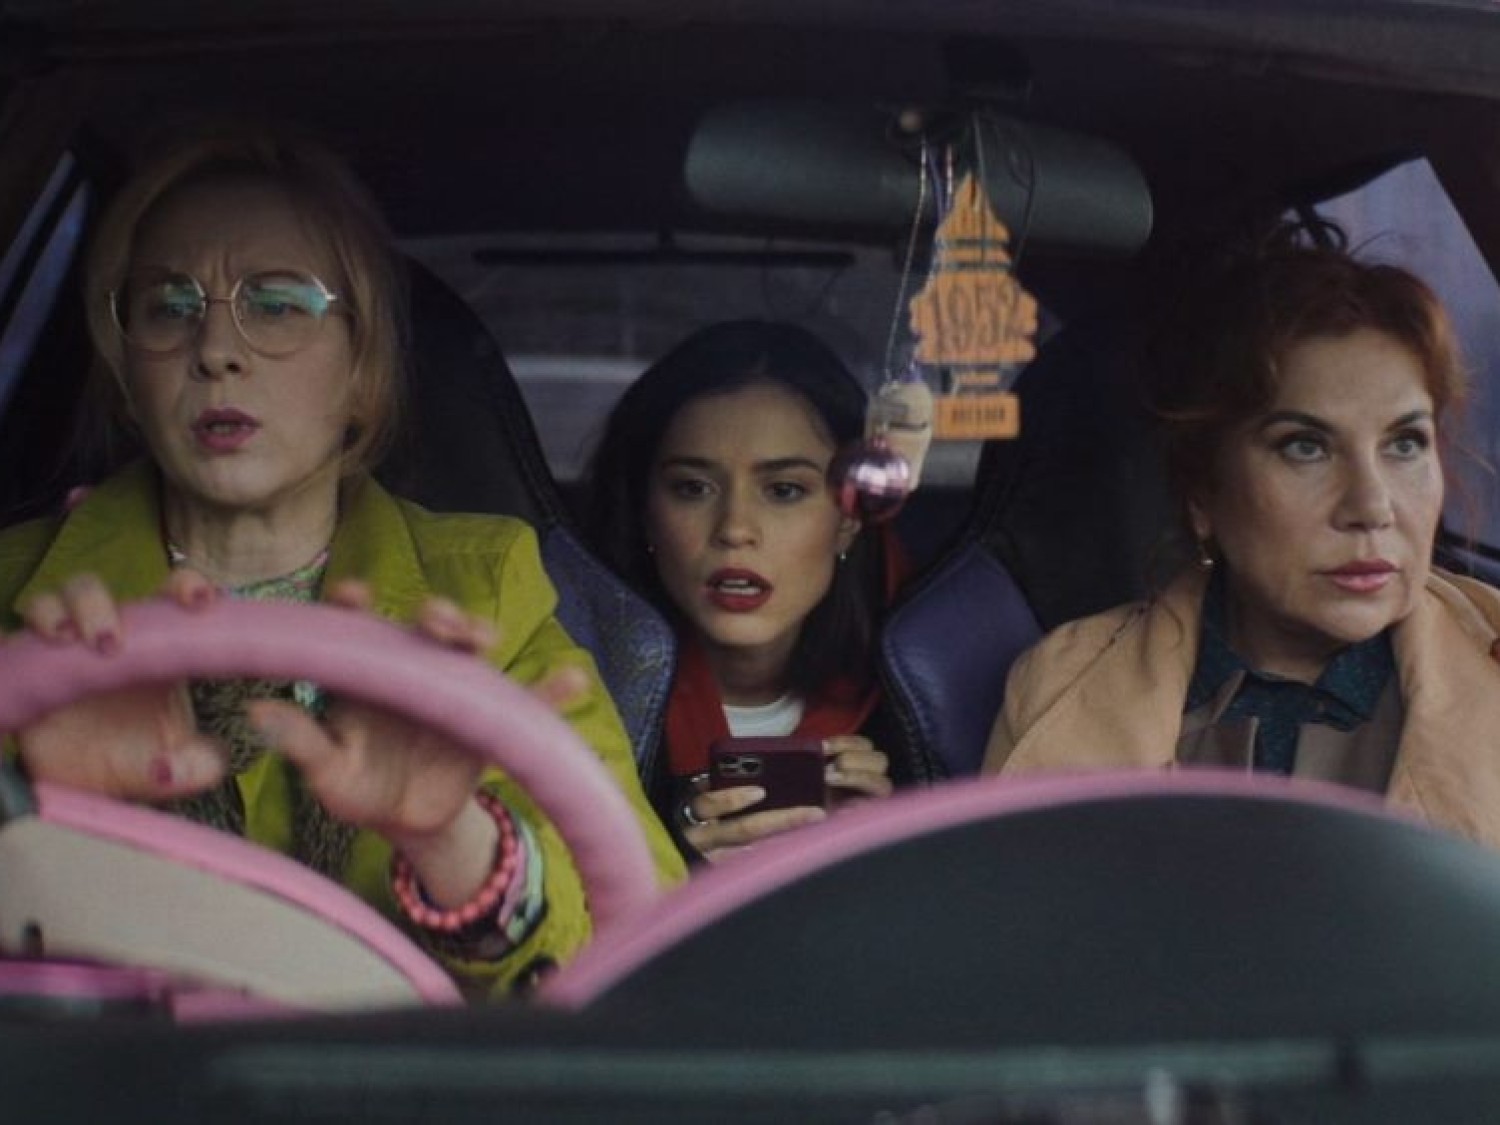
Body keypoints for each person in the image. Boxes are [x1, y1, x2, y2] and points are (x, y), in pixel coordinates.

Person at [0, 126, 685, 997]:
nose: (214, 349)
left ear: (364, 367)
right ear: (128, 368)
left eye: (278, 303)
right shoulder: (17, 596)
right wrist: (38, 816)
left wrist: (455, 845)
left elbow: (651, 954)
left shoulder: (487, 595)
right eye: (169, 305)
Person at [981, 223, 1500, 845]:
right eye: (1304, 447)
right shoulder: (1059, 685)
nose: (1371, 506)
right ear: (1202, 492)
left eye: (1405, 443)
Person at [584, 319, 932, 863]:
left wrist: (886, 854)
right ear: (646, 513)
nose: (735, 528)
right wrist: (675, 860)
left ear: (848, 519)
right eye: (693, 488)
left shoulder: (925, 703)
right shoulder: (575, 692)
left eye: (784, 490)